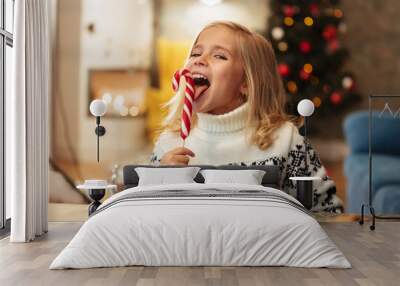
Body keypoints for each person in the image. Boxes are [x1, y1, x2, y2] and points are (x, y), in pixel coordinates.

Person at [150, 21, 343, 213]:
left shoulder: (285, 140)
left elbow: (327, 210)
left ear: (246, 83)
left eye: (219, 55)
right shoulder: (170, 142)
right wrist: (162, 179)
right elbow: (144, 213)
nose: (199, 60)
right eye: (195, 53)